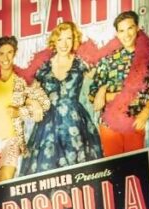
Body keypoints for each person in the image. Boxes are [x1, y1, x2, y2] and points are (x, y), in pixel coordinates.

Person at [22, 21, 102, 175]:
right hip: (47, 128)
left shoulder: (81, 63)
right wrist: (34, 103)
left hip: (75, 125)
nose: (64, 44)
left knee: (80, 173)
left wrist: (102, 91)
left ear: (74, 40)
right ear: (54, 41)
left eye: (68, 38)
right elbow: (26, 94)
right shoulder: (43, 67)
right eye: (60, 39)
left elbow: (102, 77)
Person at [0, 35, 49, 183]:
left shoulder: (22, 80)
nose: (5, 57)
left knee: (5, 179)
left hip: (12, 139)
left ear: (15, 53)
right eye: (1, 53)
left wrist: (21, 111)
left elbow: (45, 103)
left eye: (9, 52)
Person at [88, 10, 149, 157]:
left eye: (130, 28)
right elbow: (92, 93)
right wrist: (103, 92)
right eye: (121, 31)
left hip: (135, 120)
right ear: (117, 34)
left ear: (137, 28)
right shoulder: (109, 58)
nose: (126, 35)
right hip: (109, 124)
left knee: (135, 166)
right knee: (113, 167)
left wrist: (146, 111)